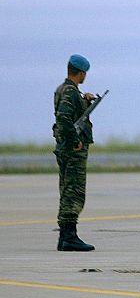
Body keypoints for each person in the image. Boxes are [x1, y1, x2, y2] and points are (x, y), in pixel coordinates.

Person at [53, 54, 96, 251]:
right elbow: (64, 119)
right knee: (74, 191)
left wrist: (85, 101)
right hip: (72, 150)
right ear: (81, 73)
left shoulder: (64, 90)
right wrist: (75, 141)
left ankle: (65, 236)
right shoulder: (70, 93)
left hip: (65, 148)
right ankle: (69, 236)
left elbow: (70, 115)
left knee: (67, 189)